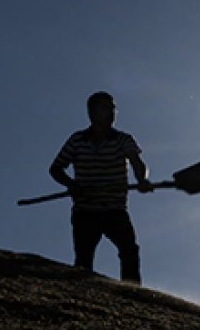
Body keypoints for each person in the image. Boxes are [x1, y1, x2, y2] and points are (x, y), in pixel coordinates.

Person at [49, 91, 153, 283]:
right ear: (92, 112)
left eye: (113, 108)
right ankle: (82, 297)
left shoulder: (123, 139)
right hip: (85, 210)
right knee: (83, 259)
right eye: (105, 107)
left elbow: (138, 163)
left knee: (129, 250)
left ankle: (131, 295)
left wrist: (142, 179)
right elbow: (56, 168)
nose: (111, 112)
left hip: (114, 209)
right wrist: (72, 185)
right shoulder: (77, 140)